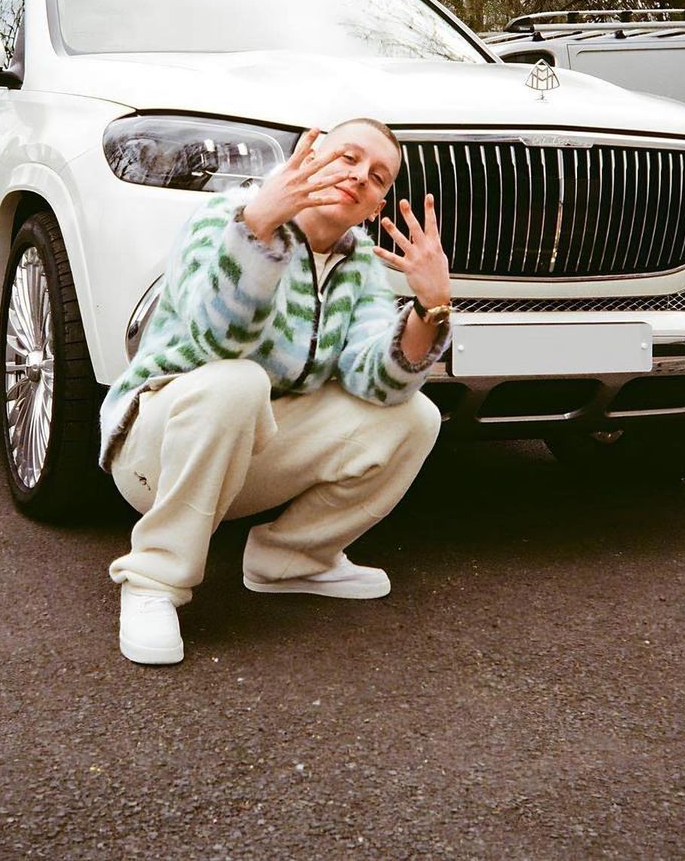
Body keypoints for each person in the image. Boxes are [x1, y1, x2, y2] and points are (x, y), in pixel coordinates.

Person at [99, 118, 453, 664]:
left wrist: (429, 310)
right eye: (348, 157)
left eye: (378, 177)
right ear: (308, 160)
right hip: (156, 451)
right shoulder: (224, 216)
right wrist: (258, 229)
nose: (360, 176)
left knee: (415, 418)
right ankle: (153, 579)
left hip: (246, 457)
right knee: (238, 381)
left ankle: (293, 559)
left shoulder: (358, 266)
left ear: (376, 207)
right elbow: (214, 343)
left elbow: (377, 383)